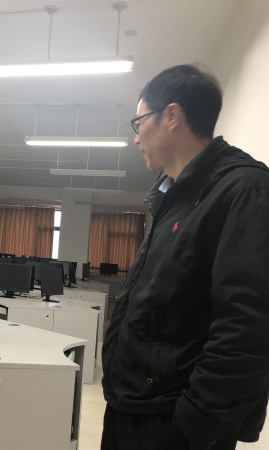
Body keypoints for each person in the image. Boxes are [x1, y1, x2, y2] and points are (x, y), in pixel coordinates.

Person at [101, 64, 269, 450]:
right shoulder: (173, 196)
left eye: (139, 122)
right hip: (132, 406)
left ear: (171, 115)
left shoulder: (244, 190)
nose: (136, 136)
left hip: (171, 424)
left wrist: (192, 427)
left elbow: (247, 325)